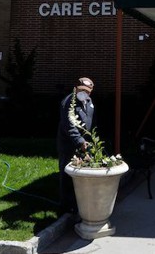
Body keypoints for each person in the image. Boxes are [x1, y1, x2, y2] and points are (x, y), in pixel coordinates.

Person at [57, 77, 95, 215]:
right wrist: (79, 141)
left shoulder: (89, 102)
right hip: (69, 144)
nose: (85, 93)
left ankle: (78, 202)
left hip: (84, 143)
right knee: (67, 173)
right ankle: (66, 206)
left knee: (80, 174)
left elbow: (90, 121)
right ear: (76, 88)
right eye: (82, 90)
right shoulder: (69, 103)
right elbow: (69, 126)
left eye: (88, 91)